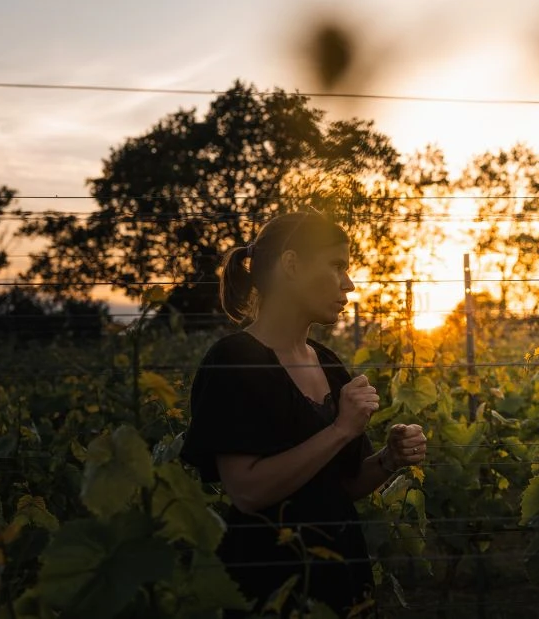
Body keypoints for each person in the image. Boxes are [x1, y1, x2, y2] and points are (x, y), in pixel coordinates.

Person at [180, 211, 428, 618]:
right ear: (292, 265)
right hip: (271, 585)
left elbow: (341, 485)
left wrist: (388, 459)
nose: (348, 283)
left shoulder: (328, 363)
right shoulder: (233, 361)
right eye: (336, 266)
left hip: (342, 577)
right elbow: (247, 492)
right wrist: (340, 429)